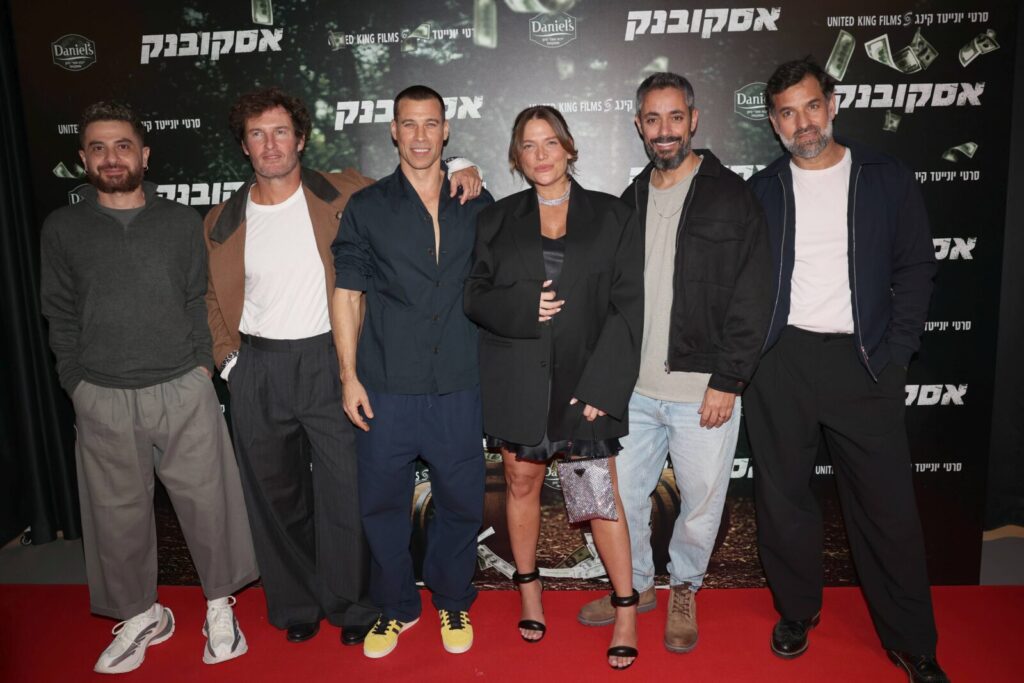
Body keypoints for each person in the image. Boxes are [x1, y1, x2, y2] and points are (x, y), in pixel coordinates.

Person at [203, 87, 483, 647]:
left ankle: (360, 605)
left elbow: (421, 169)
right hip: (262, 364)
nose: (270, 144)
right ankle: (298, 605)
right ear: (244, 145)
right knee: (277, 498)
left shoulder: (341, 192)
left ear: (300, 139)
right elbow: (210, 293)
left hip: (332, 358)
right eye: (257, 134)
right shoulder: (223, 219)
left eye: (281, 132)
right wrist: (229, 361)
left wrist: (463, 164)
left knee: (347, 496)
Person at [746, 58, 948, 683]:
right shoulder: (764, 189)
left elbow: (916, 268)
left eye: (812, 106)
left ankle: (912, 640)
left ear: (832, 104)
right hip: (781, 363)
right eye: (787, 113)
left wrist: (896, 355)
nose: (802, 123)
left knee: (887, 508)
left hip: (864, 363)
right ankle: (796, 611)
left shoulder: (885, 177)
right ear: (774, 121)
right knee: (783, 499)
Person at [40, 101, 258, 674]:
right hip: (102, 394)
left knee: (210, 505)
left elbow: (196, 299)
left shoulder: (181, 222)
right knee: (116, 517)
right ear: (83, 158)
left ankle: (219, 607)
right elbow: (58, 313)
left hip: (182, 387)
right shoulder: (62, 228)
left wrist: (201, 368)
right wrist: (76, 383)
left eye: (122, 146)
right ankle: (141, 615)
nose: (111, 158)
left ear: (144, 154)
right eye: (98, 148)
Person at [577, 73, 772, 655]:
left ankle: (684, 587)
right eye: (652, 119)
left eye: (675, 117)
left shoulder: (732, 197)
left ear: (694, 119)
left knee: (700, 503)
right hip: (633, 390)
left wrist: (728, 380)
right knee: (622, 498)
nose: (664, 130)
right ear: (639, 125)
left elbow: (754, 297)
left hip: (702, 391)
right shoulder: (630, 199)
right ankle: (634, 586)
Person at [465, 105, 644, 669]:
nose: (540, 155)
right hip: (519, 385)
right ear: (516, 157)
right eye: (528, 145)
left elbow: (628, 307)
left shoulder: (613, 215)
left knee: (596, 499)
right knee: (520, 485)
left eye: (550, 143)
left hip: (585, 389)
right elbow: (474, 296)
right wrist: (524, 306)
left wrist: (602, 387)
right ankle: (529, 592)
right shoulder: (496, 220)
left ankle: (625, 607)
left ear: (569, 148)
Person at [332, 84, 493, 659]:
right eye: (409, 124)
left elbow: (507, 275)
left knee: (462, 501)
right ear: (393, 131)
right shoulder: (368, 207)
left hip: (458, 383)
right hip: (386, 385)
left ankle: (452, 597)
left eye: (430, 124)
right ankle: (396, 606)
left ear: (446, 130)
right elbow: (347, 294)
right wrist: (348, 376)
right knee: (381, 506)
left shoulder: (477, 200)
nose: (420, 136)